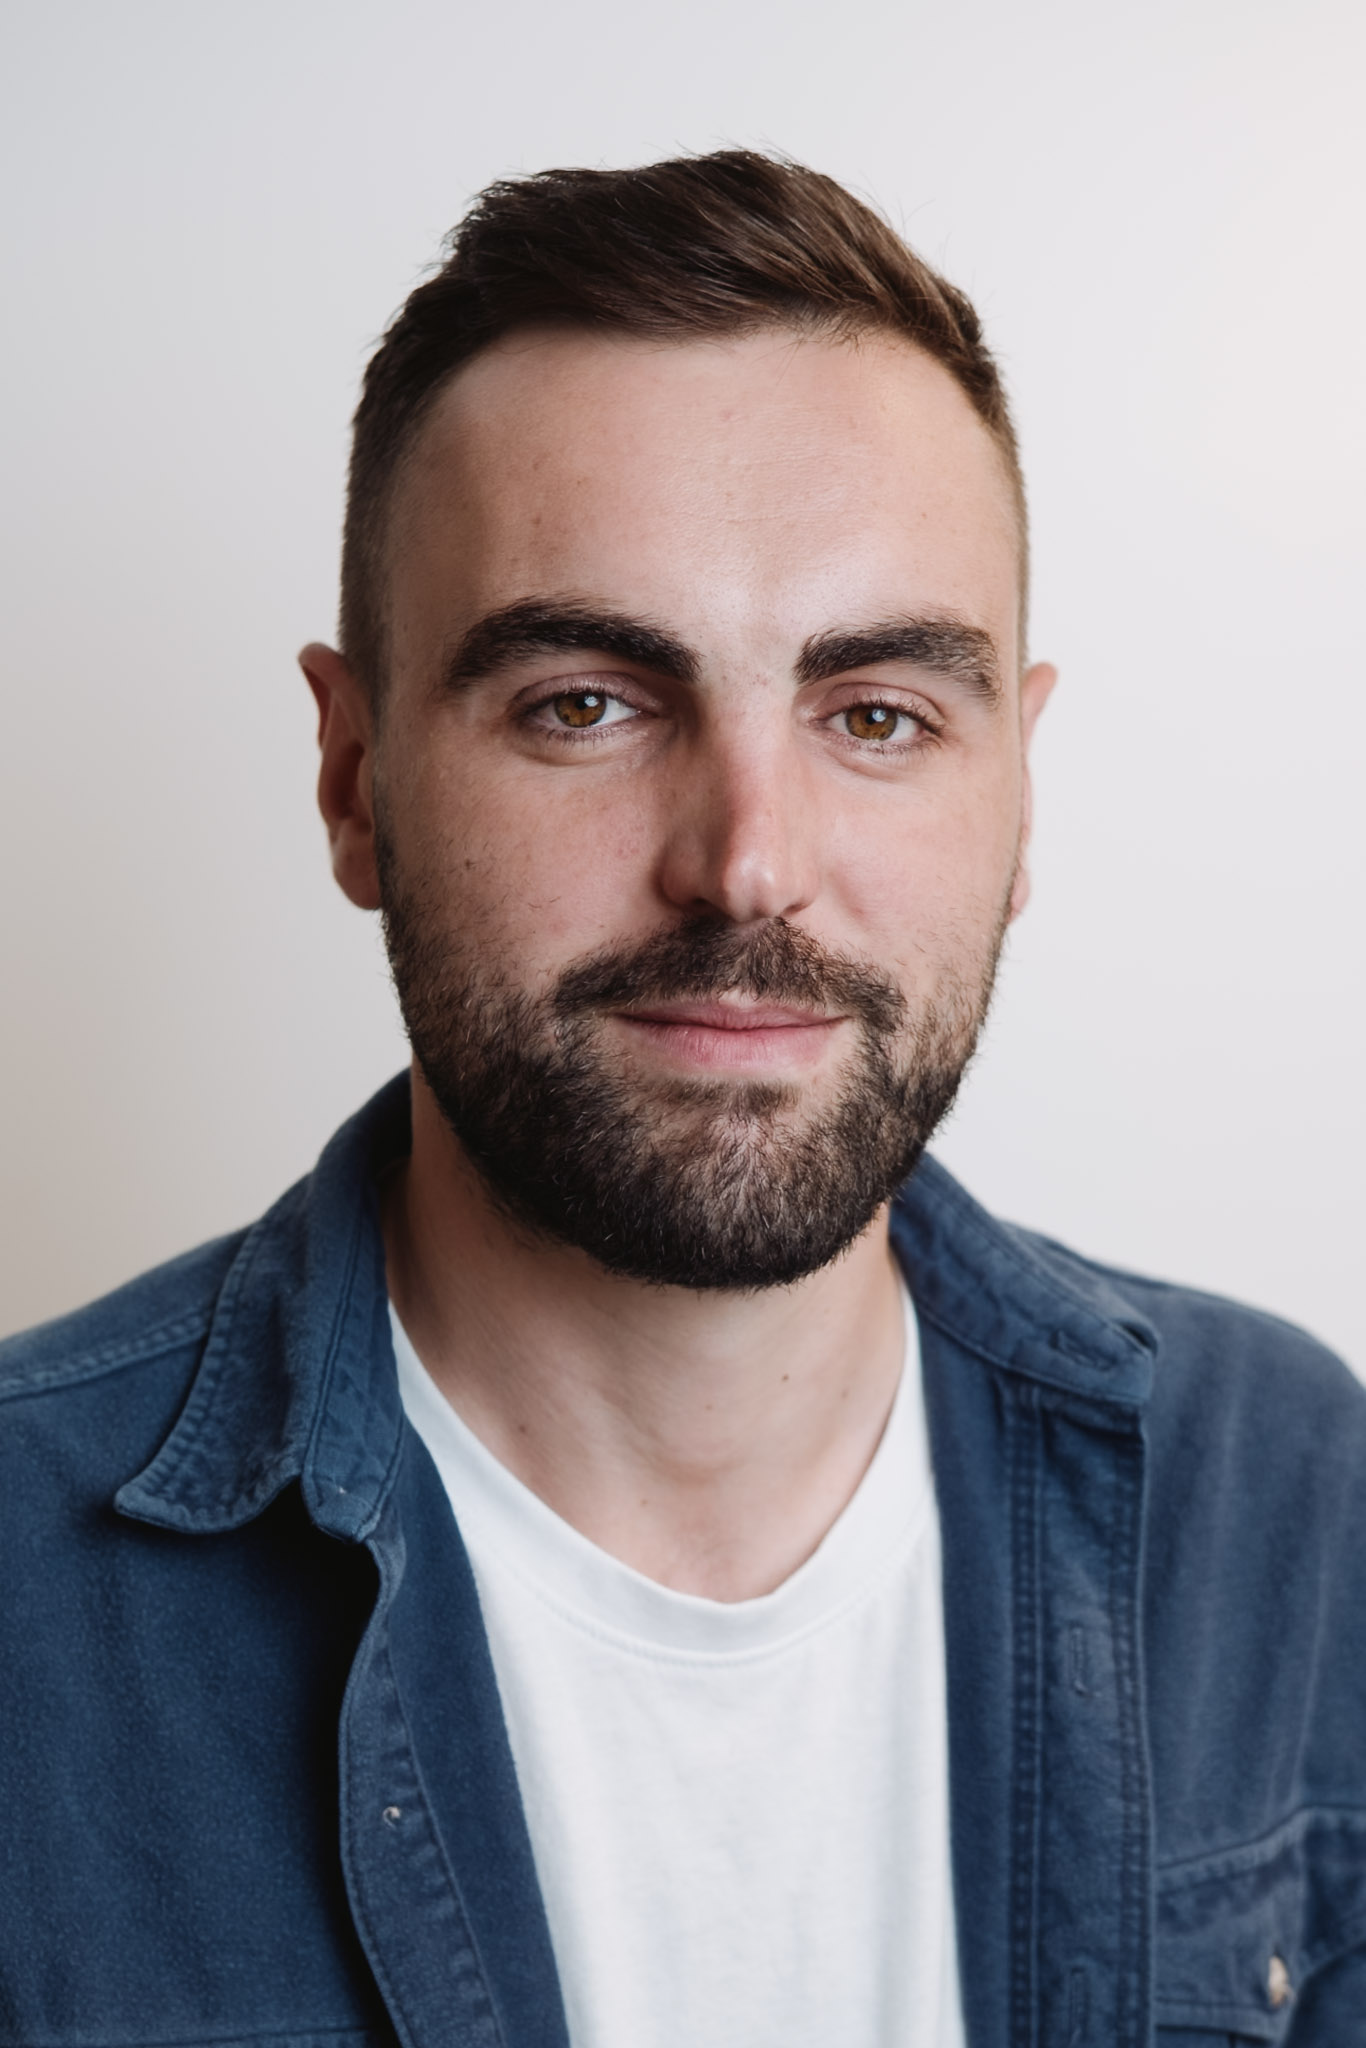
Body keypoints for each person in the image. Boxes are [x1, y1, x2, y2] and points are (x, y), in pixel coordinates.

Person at [2, 150, 1362, 2048]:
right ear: (353, 776)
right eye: (585, 701)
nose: (746, 865)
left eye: (875, 711)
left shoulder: (1284, 1497)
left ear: (1019, 792)